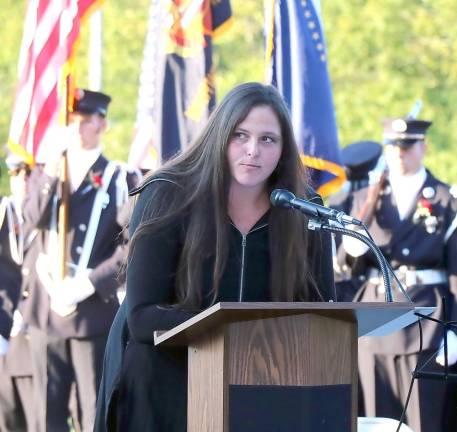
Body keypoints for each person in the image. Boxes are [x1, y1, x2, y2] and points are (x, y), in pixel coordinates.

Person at [94, 82, 336, 431]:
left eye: (268, 139)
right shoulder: (168, 194)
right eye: (240, 135)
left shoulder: (303, 208)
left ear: (284, 149)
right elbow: (143, 317)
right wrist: (233, 328)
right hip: (163, 380)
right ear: (220, 136)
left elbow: (322, 312)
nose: (253, 150)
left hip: (260, 381)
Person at [20, 88, 137, 432]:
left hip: (92, 312)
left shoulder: (119, 178)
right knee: (47, 412)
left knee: (93, 410)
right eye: (70, 122)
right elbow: (32, 220)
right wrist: (52, 172)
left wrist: (89, 282)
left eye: (83, 121)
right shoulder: (49, 174)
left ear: (101, 124)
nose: (75, 129)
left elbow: (132, 246)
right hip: (46, 312)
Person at [333, 117, 457, 432]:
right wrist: (350, 243)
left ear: (423, 147)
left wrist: (454, 329)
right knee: (375, 421)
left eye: (408, 145)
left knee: (423, 420)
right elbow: (344, 269)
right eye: (393, 146)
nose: (400, 153)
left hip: (427, 325)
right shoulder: (364, 200)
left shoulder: (446, 200)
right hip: (376, 324)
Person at [0, 155, 34, 431]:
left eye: (28, 174)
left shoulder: (45, 214)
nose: (22, 180)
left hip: (35, 331)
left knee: (38, 418)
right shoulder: (4, 212)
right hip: (4, 330)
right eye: (16, 174)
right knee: (7, 418)